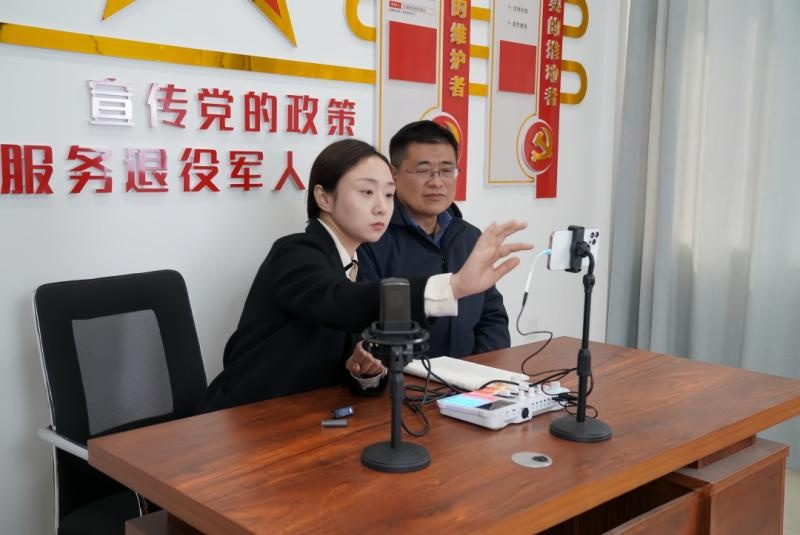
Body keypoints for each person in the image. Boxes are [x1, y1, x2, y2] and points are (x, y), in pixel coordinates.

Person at [199, 138, 530, 412]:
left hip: (310, 419)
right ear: (324, 197)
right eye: (366, 192)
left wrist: (365, 374)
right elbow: (339, 302)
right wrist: (453, 286)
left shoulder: (356, 264)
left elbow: (353, 360)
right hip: (243, 419)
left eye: (388, 194)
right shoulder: (295, 252)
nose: (382, 207)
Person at [358, 120, 511, 359]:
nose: (437, 182)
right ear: (394, 175)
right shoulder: (371, 239)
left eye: (447, 171)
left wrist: (481, 369)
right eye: (423, 171)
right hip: (402, 378)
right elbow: (364, 328)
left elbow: (492, 317)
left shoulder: (469, 237)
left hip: (471, 377)